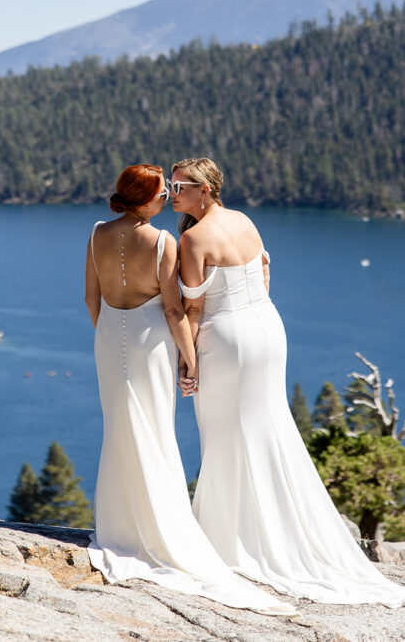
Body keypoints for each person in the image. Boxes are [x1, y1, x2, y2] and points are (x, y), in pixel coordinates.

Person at [172, 157, 405, 608]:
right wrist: (252, 311)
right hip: (267, 329)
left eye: (180, 185)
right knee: (268, 426)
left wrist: (187, 360)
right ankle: (276, 531)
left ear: (206, 189)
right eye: (170, 184)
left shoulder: (193, 238)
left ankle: (231, 538)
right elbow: (265, 272)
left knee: (225, 433)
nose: (172, 193)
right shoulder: (244, 221)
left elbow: (192, 309)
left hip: (227, 337)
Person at [85, 164, 296, 616]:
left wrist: (107, 335)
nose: (167, 200)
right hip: (150, 341)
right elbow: (175, 309)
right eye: (164, 193)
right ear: (145, 199)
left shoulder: (97, 232)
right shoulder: (164, 241)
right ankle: (164, 527)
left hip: (108, 338)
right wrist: (192, 360)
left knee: (120, 428)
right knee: (157, 431)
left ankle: (118, 526)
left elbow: (91, 297)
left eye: (174, 191)